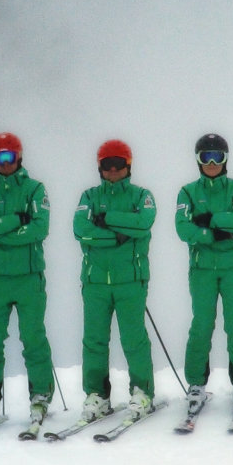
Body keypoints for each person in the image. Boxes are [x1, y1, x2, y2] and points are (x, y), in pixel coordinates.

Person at [0, 132, 55, 428]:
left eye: (11, 157)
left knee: (33, 337)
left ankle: (40, 394)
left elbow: (40, 228)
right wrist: (17, 220)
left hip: (29, 276)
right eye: (0, 157)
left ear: (19, 157)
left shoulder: (35, 189)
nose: (6, 163)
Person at [73, 139, 158, 420]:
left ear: (128, 166)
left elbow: (143, 223)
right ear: (99, 167)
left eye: (118, 165)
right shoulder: (88, 196)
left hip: (130, 280)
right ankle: (97, 395)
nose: (112, 170)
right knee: (94, 340)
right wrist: (120, 234)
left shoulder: (142, 195)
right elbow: (80, 229)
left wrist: (105, 218)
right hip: (95, 281)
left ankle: (142, 392)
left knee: (134, 339)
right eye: (107, 165)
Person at [174, 133, 233, 419]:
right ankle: (196, 383)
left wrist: (208, 219)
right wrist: (218, 233)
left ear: (225, 159)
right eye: (205, 157)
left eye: (217, 157)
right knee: (202, 325)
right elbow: (184, 229)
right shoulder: (187, 192)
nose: (211, 163)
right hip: (203, 269)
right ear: (197, 160)